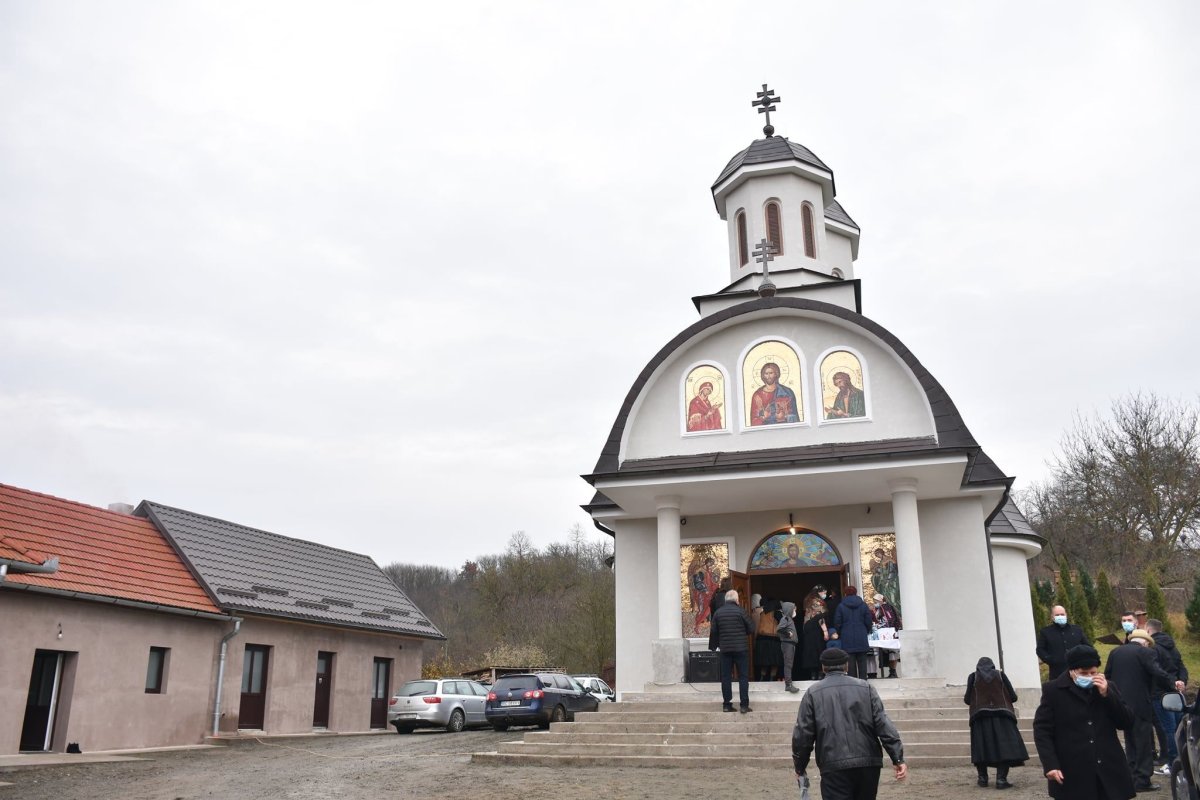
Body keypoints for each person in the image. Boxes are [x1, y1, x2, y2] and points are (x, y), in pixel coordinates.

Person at [792, 648, 907, 800]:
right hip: (868, 761)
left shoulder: (813, 693)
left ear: (823, 667)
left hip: (833, 763)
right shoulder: (865, 687)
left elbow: (803, 734)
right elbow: (883, 724)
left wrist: (800, 766)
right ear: (846, 665)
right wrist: (897, 758)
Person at [1033, 644, 1136, 800]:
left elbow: (1126, 722)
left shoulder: (1109, 687)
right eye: (1083, 673)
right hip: (1073, 770)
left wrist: (1107, 695)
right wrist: (1050, 764)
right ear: (1072, 671)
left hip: (1109, 769)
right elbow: (1042, 731)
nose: (1089, 676)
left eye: (1093, 672)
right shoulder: (1053, 690)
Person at [1103, 628, 1182, 792]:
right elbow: (1157, 672)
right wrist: (1173, 685)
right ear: (1146, 642)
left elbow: (1107, 675)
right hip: (1140, 704)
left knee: (1130, 741)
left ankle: (1131, 776)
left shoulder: (1115, 652)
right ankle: (1143, 780)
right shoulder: (1145, 653)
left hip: (1120, 703)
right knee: (1143, 743)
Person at [964, 656, 1028, 789]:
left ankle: (982, 779)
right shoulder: (1000, 675)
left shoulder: (973, 677)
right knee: (1004, 747)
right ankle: (1001, 780)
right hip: (1003, 716)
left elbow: (967, 699)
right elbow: (1013, 696)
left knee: (981, 746)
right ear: (993, 666)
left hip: (980, 717)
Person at [1147, 617, 1189, 774]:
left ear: (1149, 630)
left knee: (1168, 730)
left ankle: (1173, 763)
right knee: (1179, 729)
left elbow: (1156, 671)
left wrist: (1172, 683)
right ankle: (1184, 760)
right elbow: (1181, 667)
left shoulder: (1153, 648)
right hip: (1177, 693)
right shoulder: (1173, 646)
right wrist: (1181, 682)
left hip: (1160, 694)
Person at [707, 589, 755, 713]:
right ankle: (744, 705)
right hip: (741, 649)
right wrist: (742, 632)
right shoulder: (741, 611)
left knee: (726, 677)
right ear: (736, 600)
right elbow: (751, 628)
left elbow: (713, 632)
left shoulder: (718, 613)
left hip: (725, 650)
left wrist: (713, 646)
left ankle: (727, 705)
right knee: (743, 677)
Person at [1036, 605, 1090, 680]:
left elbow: (1088, 646)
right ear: (1052, 617)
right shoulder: (1045, 632)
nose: (1060, 616)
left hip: (1078, 672)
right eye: (1057, 615)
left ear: (1066, 615)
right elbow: (1040, 649)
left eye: (1062, 614)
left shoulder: (1077, 630)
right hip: (1057, 673)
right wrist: (1051, 660)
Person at [833, 585, 874, 679]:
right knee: (862, 662)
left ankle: (853, 683)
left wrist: (840, 633)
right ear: (856, 593)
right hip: (861, 635)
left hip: (847, 636)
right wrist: (866, 631)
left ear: (845, 594)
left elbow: (837, 622)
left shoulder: (841, 606)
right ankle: (863, 682)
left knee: (850, 663)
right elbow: (868, 621)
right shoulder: (863, 605)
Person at [871, 593, 901, 678]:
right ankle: (893, 672)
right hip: (893, 631)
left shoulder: (883, 608)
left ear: (880, 600)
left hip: (886, 632)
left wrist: (876, 626)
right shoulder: (890, 607)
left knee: (891, 652)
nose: (874, 603)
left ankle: (893, 672)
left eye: (875, 601)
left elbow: (885, 621)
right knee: (893, 652)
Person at [754, 596, 783, 681]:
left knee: (764, 662)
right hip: (773, 639)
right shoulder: (777, 613)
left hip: (762, 639)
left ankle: (762, 678)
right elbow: (784, 623)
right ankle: (771, 678)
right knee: (775, 662)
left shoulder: (762, 613)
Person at [688, 557, 720, 633]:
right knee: (703, 610)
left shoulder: (708, 571)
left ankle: (703, 623)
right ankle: (698, 624)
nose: (711, 566)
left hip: (709, 594)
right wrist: (705, 590)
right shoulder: (700, 571)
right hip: (701, 594)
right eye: (710, 564)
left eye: (712, 565)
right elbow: (697, 583)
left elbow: (712, 581)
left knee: (708, 609)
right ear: (707, 563)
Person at [869, 548, 900, 618]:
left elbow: (892, 571)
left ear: (880, 553)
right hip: (885, 584)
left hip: (892, 582)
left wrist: (888, 581)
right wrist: (876, 570)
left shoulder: (889, 559)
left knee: (893, 599)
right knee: (888, 599)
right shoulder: (881, 562)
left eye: (877, 554)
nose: (877, 556)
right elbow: (881, 571)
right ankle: (893, 614)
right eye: (876, 555)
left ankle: (898, 613)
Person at [778, 601, 801, 693]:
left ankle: (789, 683)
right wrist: (788, 634)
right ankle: (788, 685)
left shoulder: (789, 619)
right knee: (788, 664)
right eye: (794, 609)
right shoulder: (786, 619)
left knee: (789, 664)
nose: (795, 611)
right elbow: (779, 629)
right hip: (787, 644)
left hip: (790, 644)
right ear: (789, 610)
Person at [800, 612, 829, 681]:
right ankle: (819, 675)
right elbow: (824, 629)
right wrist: (826, 634)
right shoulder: (819, 618)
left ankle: (814, 675)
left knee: (813, 658)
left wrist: (825, 633)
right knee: (818, 657)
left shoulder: (809, 620)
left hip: (811, 642)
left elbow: (804, 629)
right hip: (817, 642)